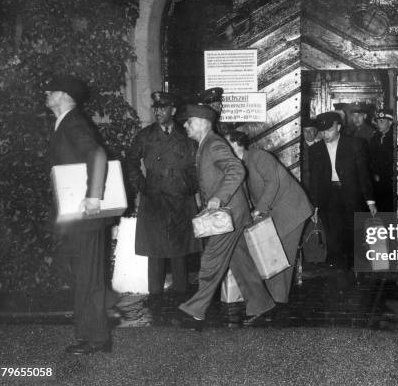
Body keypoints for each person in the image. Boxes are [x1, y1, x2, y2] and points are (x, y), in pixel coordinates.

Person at [177, 104, 275, 327]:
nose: (185, 125)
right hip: (231, 213)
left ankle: (196, 308)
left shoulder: (213, 144)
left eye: (189, 121)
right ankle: (261, 304)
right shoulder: (205, 144)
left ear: (202, 122)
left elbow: (237, 170)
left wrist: (219, 197)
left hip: (228, 213)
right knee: (240, 261)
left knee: (211, 258)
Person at [45, 74, 111, 354]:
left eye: (51, 90)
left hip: (86, 214)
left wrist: (94, 196)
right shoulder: (64, 123)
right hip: (74, 215)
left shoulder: (73, 122)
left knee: (88, 275)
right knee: (78, 271)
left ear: (63, 96)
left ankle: (95, 338)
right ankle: (91, 332)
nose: (46, 93)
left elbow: (97, 155)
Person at [126, 91, 201, 302]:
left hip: (180, 197)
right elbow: (131, 161)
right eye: (155, 108)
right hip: (155, 199)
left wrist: (191, 186)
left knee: (180, 249)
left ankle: (181, 295)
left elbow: (198, 164)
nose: (157, 112)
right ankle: (155, 297)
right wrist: (142, 186)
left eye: (162, 108)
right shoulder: (145, 136)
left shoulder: (186, 135)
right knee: (155, 250)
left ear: (173, 111)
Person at [226, 130, 314, 303]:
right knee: (274, 254)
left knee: (280, 255)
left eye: (226, 143)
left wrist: (258, 210)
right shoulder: (240, 163)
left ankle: (277, 301)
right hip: (276, 211)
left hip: (292, 210)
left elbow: (273, 182)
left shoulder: (259, 156)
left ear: (237, 144)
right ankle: (275, 300)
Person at [308, 111, 377, 270]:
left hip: (351, 195)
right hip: (328, 196)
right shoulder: (315, 150)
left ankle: (355, 268)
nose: (325, 134)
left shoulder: (355, 144)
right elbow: (315, 180)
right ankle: (338, 270)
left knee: (353, 232)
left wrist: (370, 201)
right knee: (333, 234)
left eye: (329, 130)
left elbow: (363, 175)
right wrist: (314, 206)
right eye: (322, 131)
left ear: (338, 127)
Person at [369, 109, 395, 212]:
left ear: (390, 122)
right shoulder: (375, 137)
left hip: (388, 181)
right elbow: (370, 157)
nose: (379, 124)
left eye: (382, 121)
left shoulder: (395, 138)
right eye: (378, 121)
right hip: (376, 180)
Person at [300, 119, 320, 194]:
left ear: (315, 131)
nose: (308, 133)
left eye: (311, 130)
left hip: (318, 188)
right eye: (305, 131)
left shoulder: (322, 147)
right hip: (303, 187)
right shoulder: (299, 149)